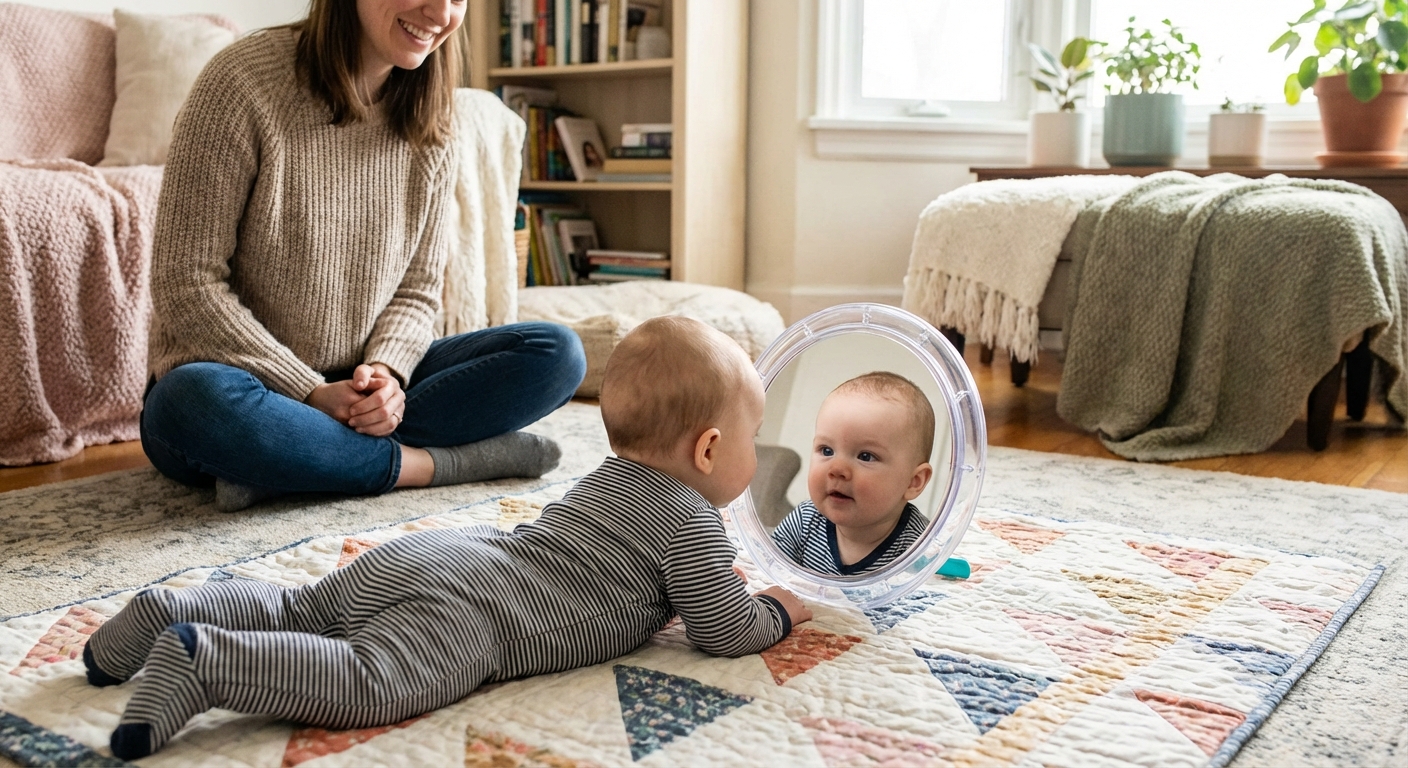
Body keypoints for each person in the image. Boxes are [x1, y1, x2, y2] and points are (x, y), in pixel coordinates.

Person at [86, 316, 812, 759]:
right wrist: (778, 610)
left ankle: (161, 616)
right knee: (373, 678)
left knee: (302, 610)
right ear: (710, 449)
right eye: (754, 435)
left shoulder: (604, 478)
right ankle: (205, 662)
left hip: (443, 554)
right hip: (476, 611)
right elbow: (723, 627)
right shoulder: (691, 520)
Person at [141, 0, 586, 513]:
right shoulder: (241, 82)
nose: (440, 12)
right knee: (189, 404)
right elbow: (185, 281)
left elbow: (417, 291)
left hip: (357, 383)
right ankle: (433, 465)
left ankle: (299, 464)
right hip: (242, 384)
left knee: (555, 354)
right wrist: (308, 391)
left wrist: (388, 376)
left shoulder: (432, 118)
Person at [771, 372, 935, 575]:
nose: (837, 469)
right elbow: (769, 571)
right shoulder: (805, 520)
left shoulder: (920, 546)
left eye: (865, 456)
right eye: (827, 451)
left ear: (914, 482)